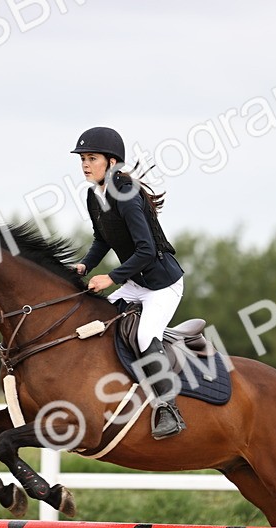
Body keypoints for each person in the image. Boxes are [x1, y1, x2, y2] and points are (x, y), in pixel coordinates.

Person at [71, 126, 187, 440]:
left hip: (162, 285)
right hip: (136, 283)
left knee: (147, 334)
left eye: (91, 158)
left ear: (111, 162)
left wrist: (111, 277)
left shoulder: (127, 194)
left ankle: (168, 408)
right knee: (95, 321)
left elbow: (147, 250)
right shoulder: (94, 195)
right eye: (82, 158)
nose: (85, 164)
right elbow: (101, 239)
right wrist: (84, 264)